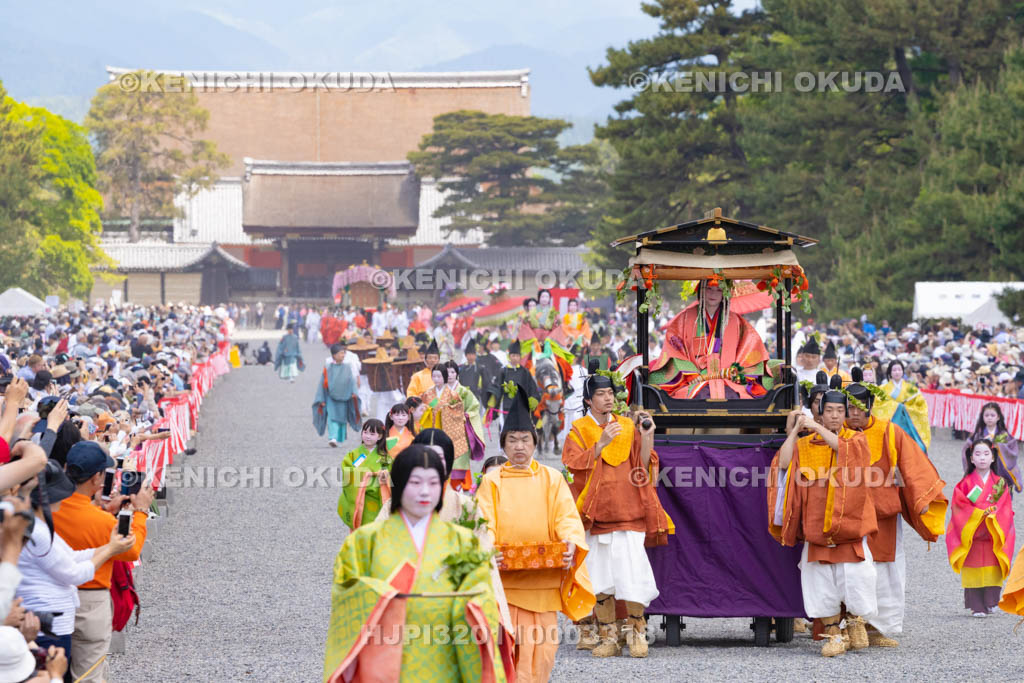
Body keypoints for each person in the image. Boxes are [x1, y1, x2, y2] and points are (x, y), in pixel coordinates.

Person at [322, 446, 511, 683]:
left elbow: (481, 594)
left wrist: (464, 605)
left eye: (433, 483)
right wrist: (392, 597)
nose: (425, 492)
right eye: (415, 482)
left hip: (445, 652)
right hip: (384, 654)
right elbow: (346, 594)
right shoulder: (363, 541)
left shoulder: (462, 541)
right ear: (399, 483)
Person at [476, 382, 594, 682]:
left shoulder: (551, 478)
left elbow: (566, 517)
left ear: (534, 442)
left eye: (524, 440)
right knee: (506, 654)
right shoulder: (491, 482)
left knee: (542, 656)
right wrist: (488, 550)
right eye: (512, 440)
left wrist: (570, 543)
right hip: (506, 584)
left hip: (543, 582)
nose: (518, 446)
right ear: (503, 445)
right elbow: (482, 522)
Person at [561, 370, 672, 658]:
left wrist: (647, 435)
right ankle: (608, 637)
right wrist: (600, 445)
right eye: (601, 394)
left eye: (610, 393)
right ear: (588, 400)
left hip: (628, 511)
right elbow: (572, 466)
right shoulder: (579, 430)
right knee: (600, 578)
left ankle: (637, 636)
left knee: (632, 575)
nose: (608, 398)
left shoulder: (626, 424)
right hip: (596, 515)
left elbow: (644, 463)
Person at [769, 384, 878, 658]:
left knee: (857, 578)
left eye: (839, 410)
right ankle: (833, 634)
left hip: (849, 526)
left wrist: (817, 429)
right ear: (819, 411)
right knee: (819, 583)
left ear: (846, 413)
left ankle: (855, 621)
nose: (834, 415)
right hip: (816, 526)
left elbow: (850, 455)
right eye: (828, 410)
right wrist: (795, 430)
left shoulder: (856, 439)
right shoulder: (805, 444)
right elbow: (782, 463)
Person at [845, 372, 947, 646]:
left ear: (869, 406)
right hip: (846, 516)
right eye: (849, 407)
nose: (854, 413)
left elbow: (913, 467)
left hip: (883, 517)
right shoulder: (836, 433)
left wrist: (922, 500)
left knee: (886, 570)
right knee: (848, 569)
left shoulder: (889, 431)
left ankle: (878, 628)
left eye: (859, 407)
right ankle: (848, 626)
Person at [52, 441, 153, 682]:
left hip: (51, 598)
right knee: (88, 673)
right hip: (91, 600)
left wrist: (106, 510)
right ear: (97, 478)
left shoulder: (48, 509)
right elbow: (131, 550)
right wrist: (139, 513)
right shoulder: (102, 522)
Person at [16, 460, 136, 659]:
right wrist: (110, 550)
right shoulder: (38, 532)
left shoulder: (38, 525)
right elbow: (73, 574)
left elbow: (72, 556)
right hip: (49, 620)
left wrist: (109, 546)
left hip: (52, 617)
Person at [649, 278, 771, 399]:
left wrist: (736, 371)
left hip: (727, 377)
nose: (713, 294)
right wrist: (691, 374)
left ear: (725, 293)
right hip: (695, 378)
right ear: (700, 290)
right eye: (709, 289)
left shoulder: (736, 321)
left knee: (734, 396)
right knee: (698, 396)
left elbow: (750, 347)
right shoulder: (684, 319)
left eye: (719, 290)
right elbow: (674, 350)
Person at [946, 439, 1016, 617]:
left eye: (986, 454)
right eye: (977, 454)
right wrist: (978, 514)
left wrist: (993, 514)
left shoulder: (1000, 482)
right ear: (971, 458)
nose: (982, 458)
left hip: (993, 532)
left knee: (993, 567)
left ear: (993, 458)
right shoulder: (965, 484)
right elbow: (959, 506)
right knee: (974, 568)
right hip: (973, 534)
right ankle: (977, 606)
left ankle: (991, 601)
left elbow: (1005, 507)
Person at [420, 362, 484, 491]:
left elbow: (473, 407)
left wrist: (464, 415)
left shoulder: (460, 393)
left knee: (455, 462)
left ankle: (456, 490)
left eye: (453, 372)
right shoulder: (428, 394)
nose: (449, 375)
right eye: (435, 376)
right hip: (434, 431)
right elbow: (422, 411)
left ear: (457, 374)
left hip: (455, 431)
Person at [337, 420, 388, 529]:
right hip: (359, 495)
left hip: (376, 496)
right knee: (359, 525)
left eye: (372, 434)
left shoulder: (384, 457)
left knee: (376, 526)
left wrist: (383, 474)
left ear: (380, 436)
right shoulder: (354, 454)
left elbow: (391, 473)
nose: (367, 436)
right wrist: (366, 476)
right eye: (365, 432)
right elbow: (347, 470)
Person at [961, 402, 1021, 493]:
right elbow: (967, 450)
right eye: (987, 415)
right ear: (983, 417)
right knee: (981, 503)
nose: (989, 418)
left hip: (1001, 475)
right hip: (981, 474)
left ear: (998, 417)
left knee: (1002, 503)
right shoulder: (978, 435)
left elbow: (1013, 452)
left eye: (992, 415)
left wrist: (999, 446)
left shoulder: (1004, 435)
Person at [872, 359, 931, 451]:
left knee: (909, 449)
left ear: (903, 372)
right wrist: (896, 406)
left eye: (899, 370)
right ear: (890, 372)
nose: (897, 372)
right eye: (894, 370)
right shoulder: (882, 389)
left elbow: (920, 404)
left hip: (907, 423)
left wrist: (906, 408)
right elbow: (877, 406)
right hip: (890, 423)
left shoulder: (911, 388)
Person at [312, 343, 361, 448]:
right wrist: (321, 398)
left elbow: (352, 381)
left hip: (345, 397)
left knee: (342, 418)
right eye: (340, 353)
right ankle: (332, 438)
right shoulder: (328, 368)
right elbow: (323, 383)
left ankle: (338, 438)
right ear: (334, 355)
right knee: (332, 417)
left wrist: (354, 393)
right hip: (331, 398)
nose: (343, 355)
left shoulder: (348, 367)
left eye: (344, 353)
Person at [486, 341, 539, 433]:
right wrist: (492, 401)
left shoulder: (525, 372)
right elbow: (496, 387)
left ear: (520, 357)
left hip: (521, 408)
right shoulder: (503, 371)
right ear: (509, 356)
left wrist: (532, 400)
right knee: (505, 431)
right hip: (506, 406)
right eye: (513, 355)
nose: (515, 358)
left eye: (517, 356)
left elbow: (532, 388)